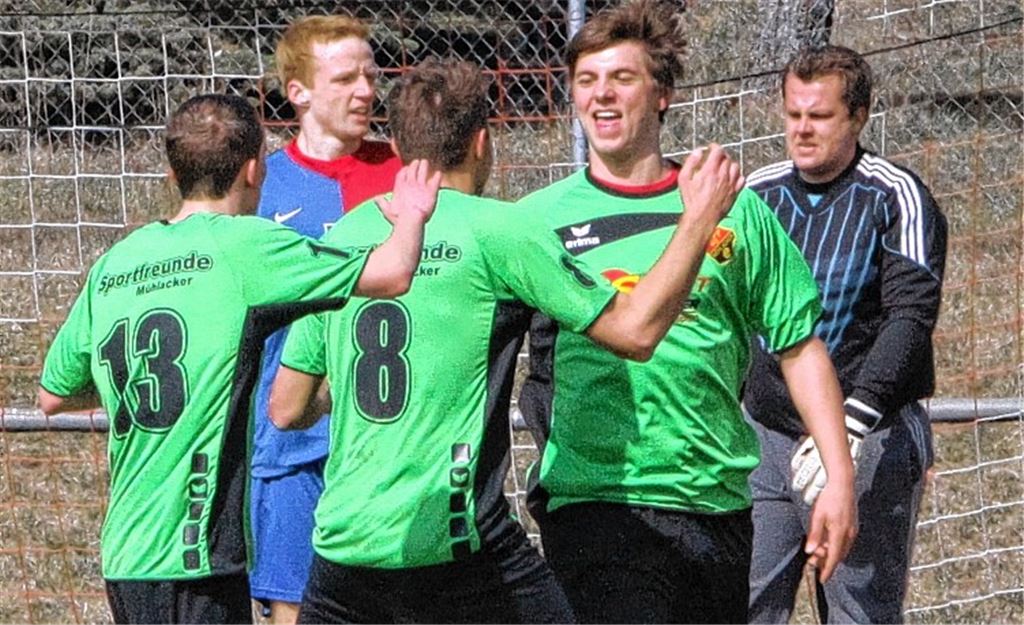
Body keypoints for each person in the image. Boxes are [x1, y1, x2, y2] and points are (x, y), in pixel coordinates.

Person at [268, 57, 743, 623]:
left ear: (394, 142)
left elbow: (288, 407)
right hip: (452, 543)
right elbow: (635, 331)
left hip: (344, 546)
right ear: (481, 142)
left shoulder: (347, 234)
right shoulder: (498, 229)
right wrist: (697, 220)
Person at [36, 93, 439, 624]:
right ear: (254, 169)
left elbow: (53, 394)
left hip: (125, 554)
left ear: (172, 173)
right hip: (193, 555)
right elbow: (392, 274)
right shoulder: (246, 247)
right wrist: (411, 216)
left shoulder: (117, 261)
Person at [517, 1, 858, 622]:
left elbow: (799, 346)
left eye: (622, 79)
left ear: (664, 93)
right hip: (599, 502)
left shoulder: (737, 208)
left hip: (716, 502)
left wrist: (838, 475)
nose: (601, 97)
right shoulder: (536, 222)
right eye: (586, 81)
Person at [744, 45, 947, 624]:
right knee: (744, 606)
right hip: (767, 436)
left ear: (857, 118)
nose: (802, 130)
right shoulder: (756, 196)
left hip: (870, 433)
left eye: (820, 116)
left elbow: (910, 318)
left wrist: (852, 426)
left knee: (860, 613)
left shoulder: (895, 195)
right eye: (793, 114)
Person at [249, 15, 403, 624]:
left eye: (371, 75)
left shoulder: (404, 179)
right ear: (299, 91)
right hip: (289, 446)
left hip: (385, 447)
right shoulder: (260, 190)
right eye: (345, 78)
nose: (366, 90)